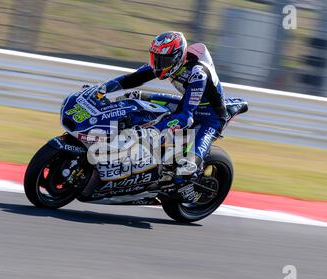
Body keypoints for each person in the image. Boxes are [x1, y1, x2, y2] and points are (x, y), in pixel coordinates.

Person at [95, 31, 231, 189]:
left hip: (211, 117)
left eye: (164, 60)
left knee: (186, 169)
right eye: (156, 58)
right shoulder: (165, 66)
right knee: (136, 98)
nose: (159, 65)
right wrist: (102, 89)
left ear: (178, 57)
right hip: (189, 104)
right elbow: (131, 79)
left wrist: (152, 130)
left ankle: (188, 180)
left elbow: (185, 117)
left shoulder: (197, 75)